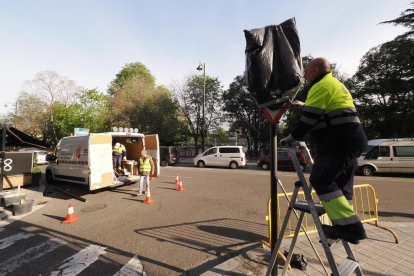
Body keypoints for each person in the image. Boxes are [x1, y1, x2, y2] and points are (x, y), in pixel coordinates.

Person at [280, 57, 368, 244]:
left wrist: (291, 137)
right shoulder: (335, 84)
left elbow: (308, 119)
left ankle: (352, 228)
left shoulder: (321, 86)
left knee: (320, 179)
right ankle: (344, 226)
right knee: (343, 187)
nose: (304, 75)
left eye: (305, 72)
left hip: (339, 143)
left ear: (315, 70)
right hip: (352, 141)